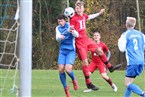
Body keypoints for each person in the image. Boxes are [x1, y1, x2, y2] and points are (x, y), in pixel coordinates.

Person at [70, 0, 121, 90]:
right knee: (85, 62)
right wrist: (74, 32)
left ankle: (110, 67)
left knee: (99, 50)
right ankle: (88, 83)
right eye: (76, 8)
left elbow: (90, 16)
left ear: (83, 8)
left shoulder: (83, 16)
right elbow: (72, 31)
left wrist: (99, 13)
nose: (78, 10)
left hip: (86, 39)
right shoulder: (73, 18)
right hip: (79, 42)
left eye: (79, 8)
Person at [118, 17, 145, 97]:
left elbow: (122, 49)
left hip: (133, 62)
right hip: (141, 61)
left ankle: (143, 94)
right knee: (130, 83)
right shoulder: (141, 34)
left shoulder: (125, 35)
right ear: (134, 25)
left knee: (127, 83)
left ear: (126, 25)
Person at [56, 14, 79, 97]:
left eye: (61, 21)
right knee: (61, 69)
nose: (60, 23)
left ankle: (74, 79)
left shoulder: (70, 25)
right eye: (58, 22)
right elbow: (57, 38)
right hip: (62, 51)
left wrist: (72, 31)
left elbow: (77, 35)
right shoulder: (57, 28)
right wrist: (60, 37)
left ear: (64, 20)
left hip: (71, 51)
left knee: (68, 69)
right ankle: (66, 88)